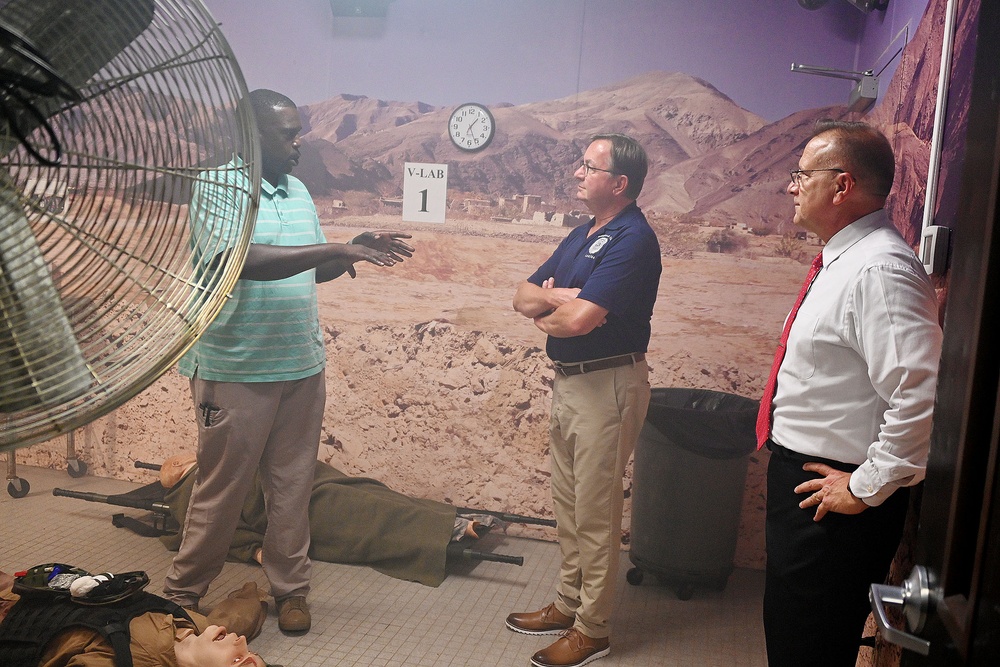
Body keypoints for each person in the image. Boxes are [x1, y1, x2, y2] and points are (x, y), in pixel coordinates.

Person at [162, 89, 414, 634]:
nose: (299, 145)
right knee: (222, 488)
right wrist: (332, 250)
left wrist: (349, 249)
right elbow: (240, 261)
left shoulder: (298, 191)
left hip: (300, 365)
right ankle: (182, 592)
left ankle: (291, 590)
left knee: (292, 486)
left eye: (298, 132)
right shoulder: (217, 186)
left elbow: (310, 269)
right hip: (235, 368)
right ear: (252, 137)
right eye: (287, 135)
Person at [757, 120, 942, 666]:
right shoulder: (846, 259)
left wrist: (865, 487)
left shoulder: (880, 269)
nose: (791, 186)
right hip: (809, 486)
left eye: (801, 175)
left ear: (840, 185)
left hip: (834, 501)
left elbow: (920, 392)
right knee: (794, 639)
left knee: (809, 649)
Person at [507, 134, 661, 667]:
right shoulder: (582, 234)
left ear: (619, 183)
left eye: (589, 167)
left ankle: (593, 629)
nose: (577, 173)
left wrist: (563, 306)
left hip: (608, 385)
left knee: (595, 512)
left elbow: (576, 322)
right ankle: (569, 604)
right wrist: (558, 296)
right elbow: (521, 296)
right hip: (571, 382)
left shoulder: (632, 239)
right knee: (569, 505)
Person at [158, 454, 495, 588]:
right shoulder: (191, 491)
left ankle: (446, 518)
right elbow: (214, 531)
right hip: (287, 507)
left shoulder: (220, 459)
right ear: (176, 468)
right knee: (359, 513)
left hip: (296, 480)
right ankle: (447, 527)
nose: (184, 453)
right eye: (176, 458)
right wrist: (257, 552)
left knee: (366, 493)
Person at [1, 568, 270, 667]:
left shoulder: (131, 660)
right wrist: (252, 593)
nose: (241, 641)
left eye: (238, 661)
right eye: (252, 650)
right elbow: (241, 616)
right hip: (43, 589)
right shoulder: (197, 627)